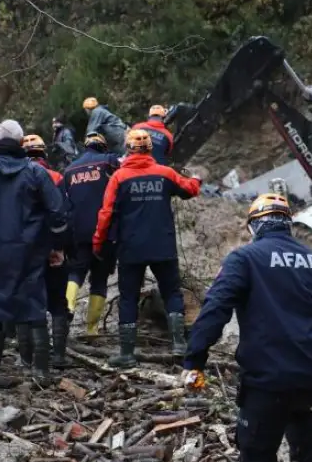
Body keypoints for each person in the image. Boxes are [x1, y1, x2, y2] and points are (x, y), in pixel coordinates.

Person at [182, 193, 312, 462]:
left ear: (254, 227)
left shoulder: (244, 258)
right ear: (287, 224)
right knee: (297, 405)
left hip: (269, 381)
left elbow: (215, 309)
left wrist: (194, 361)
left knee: (255, 460)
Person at [0, 120, 68, 387]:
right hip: (30, 253)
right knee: (34, 308)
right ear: (21, 144)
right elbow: (57, 212)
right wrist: (57, 246)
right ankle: (41, 373)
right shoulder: (36, 173)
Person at [93, 129, 201, 364]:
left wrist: (98, 242)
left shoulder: (119, 178)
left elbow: (106, 214)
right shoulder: (165, 173)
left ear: (128, 149)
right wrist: (196, 178)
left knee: (129, 297)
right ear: (150, 148)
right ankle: (179, 345)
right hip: (163, 244)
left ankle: (127, 353)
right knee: (172, 292)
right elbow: (190, 189)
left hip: (131, 247)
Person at [23, 134, 73, 369]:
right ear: (43, 154)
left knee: (29, 302)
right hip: (52, 249)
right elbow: (63, 214)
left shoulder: (16, 178)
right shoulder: (56, 177)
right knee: (58, 303)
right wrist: (60, 248)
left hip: (26, 251)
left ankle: (29, 357)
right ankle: (59, 355)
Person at [62, 132, 120, 334]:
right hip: (104, 231)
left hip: (78, 231)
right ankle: (92, 329)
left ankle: (67, 307)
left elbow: (64, 203)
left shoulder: (69, 170)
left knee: (75, 272)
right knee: (100, 279)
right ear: (103, 147)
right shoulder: (109, 162)